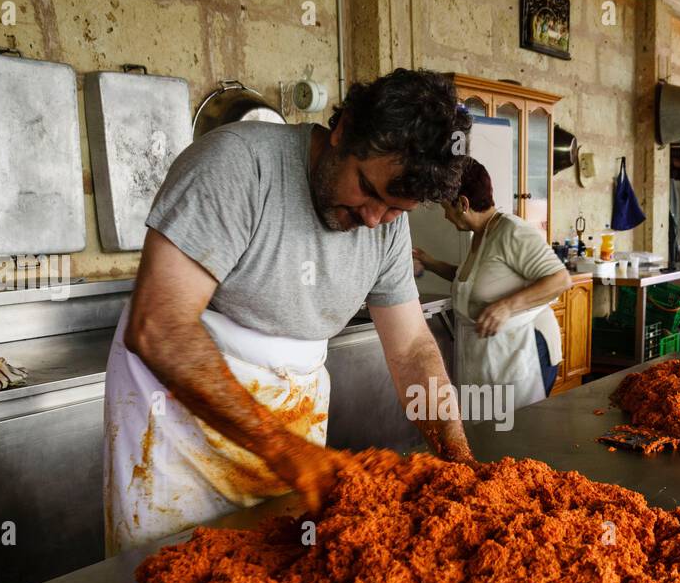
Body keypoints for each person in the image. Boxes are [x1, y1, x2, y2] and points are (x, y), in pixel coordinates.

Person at [103, 68, 475, 553]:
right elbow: (159, 327)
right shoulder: (235, 166)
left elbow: (410, 347)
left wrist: (457, 456)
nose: (373, 220)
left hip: (289, 433)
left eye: (395, 210)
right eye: (368, 189)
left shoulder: (383, 223)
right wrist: (287, 452)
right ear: (343, 132)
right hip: (181, 436)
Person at [413, 158, 570, 406]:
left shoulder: (512, 231)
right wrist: (429, 262)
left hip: (523, 352)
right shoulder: (480, 235)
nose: (444, 216)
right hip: (493, 356)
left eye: (446, 207)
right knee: (491, 436)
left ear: (463, 204)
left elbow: (560, 279)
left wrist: (507, 306)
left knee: (518, 435)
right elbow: (472, 281)